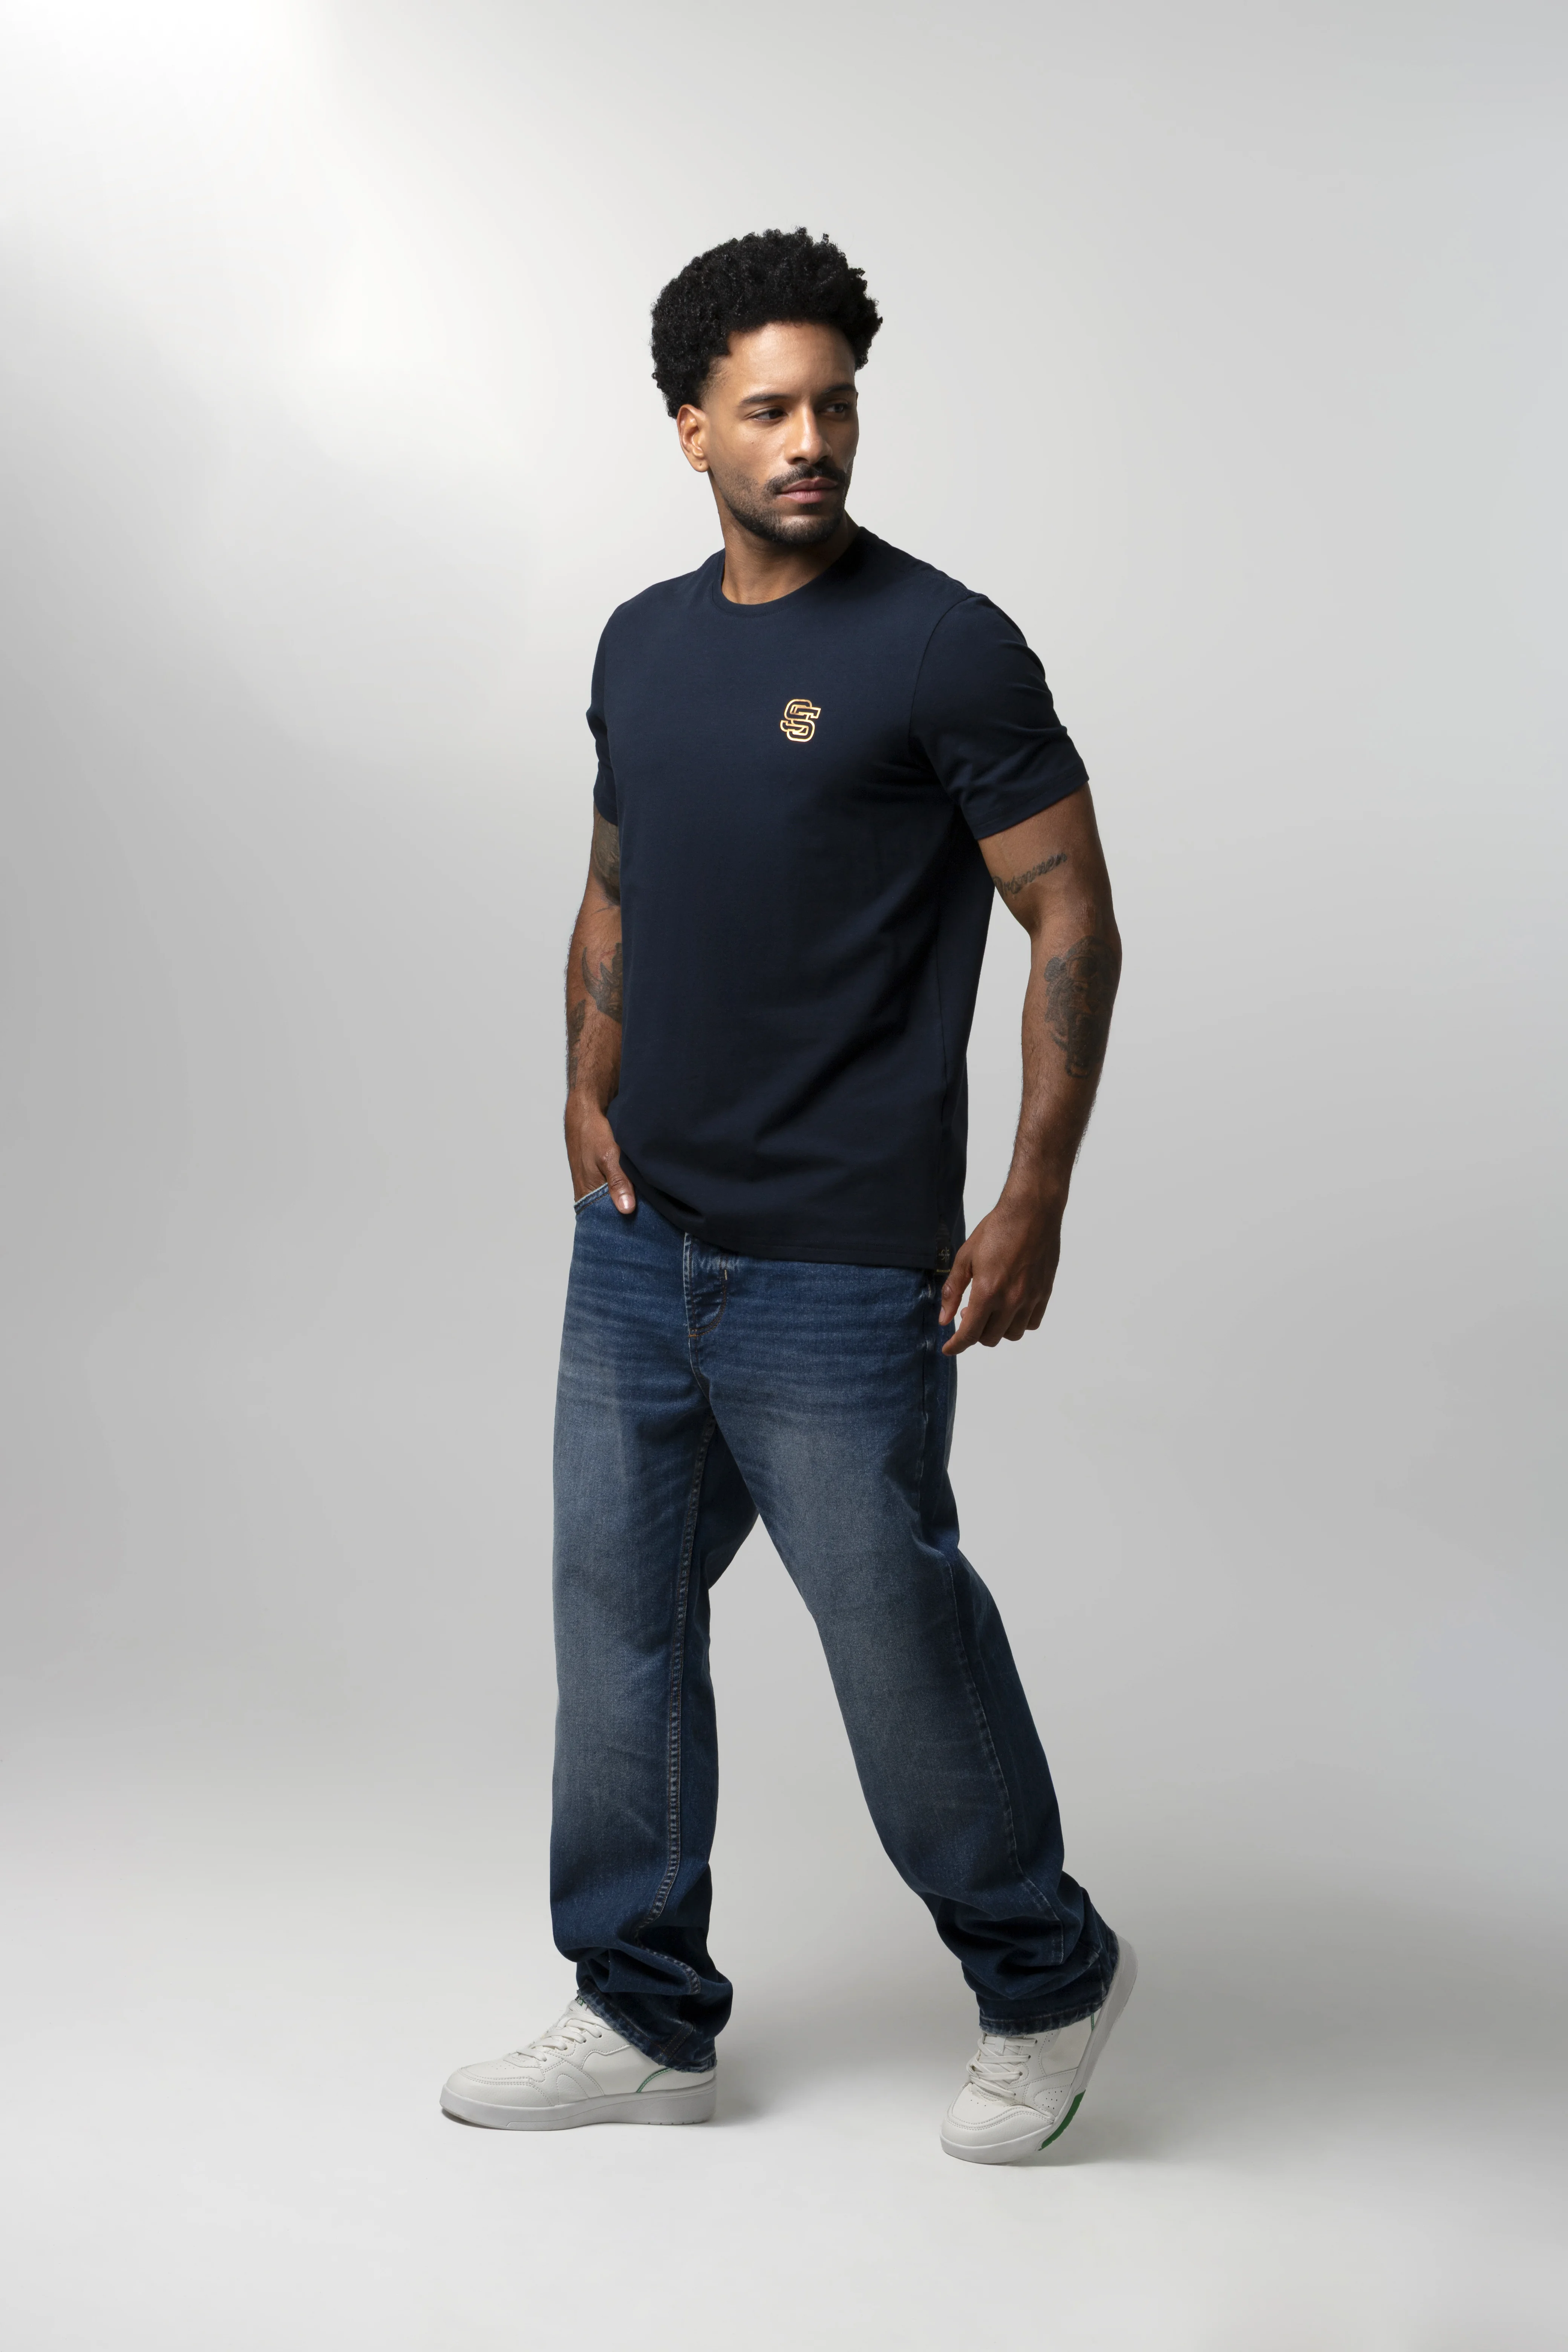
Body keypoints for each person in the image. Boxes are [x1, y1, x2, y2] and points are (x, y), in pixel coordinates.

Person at [441, 229, 1134, 2165]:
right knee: (619, 1631)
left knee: (893, 1640)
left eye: (832, 404)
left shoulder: (940, 645)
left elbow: (1068, 915)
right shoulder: (638, 645)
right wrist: (581, 1086)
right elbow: (614, 886)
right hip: (638, 1246)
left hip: (840, 1261)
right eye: (767, 410)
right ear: (692, 431)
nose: (809, 439)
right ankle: (640, 2014)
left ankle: (1047, 1979)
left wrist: (1032, 1198)